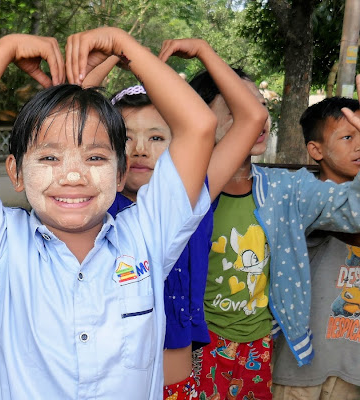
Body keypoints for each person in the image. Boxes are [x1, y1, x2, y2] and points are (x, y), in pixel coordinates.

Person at [0, 27, 217, 400]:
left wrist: (125, 47)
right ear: (15, 172)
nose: (74, 175)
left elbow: (198, 127)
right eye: (49, 157)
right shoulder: (1, 244)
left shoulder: (148, 235)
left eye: (95, 157)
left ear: (121, 172)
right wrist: (5, 48)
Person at [82, 38, 268, 400]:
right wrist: (112, 58)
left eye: (156, 137)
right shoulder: (92, 206)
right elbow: (62, 118)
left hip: (179, 381)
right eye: (125, 137)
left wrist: (205, 52)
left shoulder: (192, 197)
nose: (139, 149)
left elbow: (252, 117)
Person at [192, 69, 360, 399]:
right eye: (238, 107)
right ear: (198, 118)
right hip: (196, 348)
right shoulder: (182, 193)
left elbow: (353, 210)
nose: (257, 117)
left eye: (259, 105)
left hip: (259, 349)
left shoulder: (284, 190)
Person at [272, 91, 360, 399]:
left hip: (352, 368)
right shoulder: (306, 198)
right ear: (316, 150)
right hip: (301, 372)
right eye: (348, 136)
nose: (359, 144)